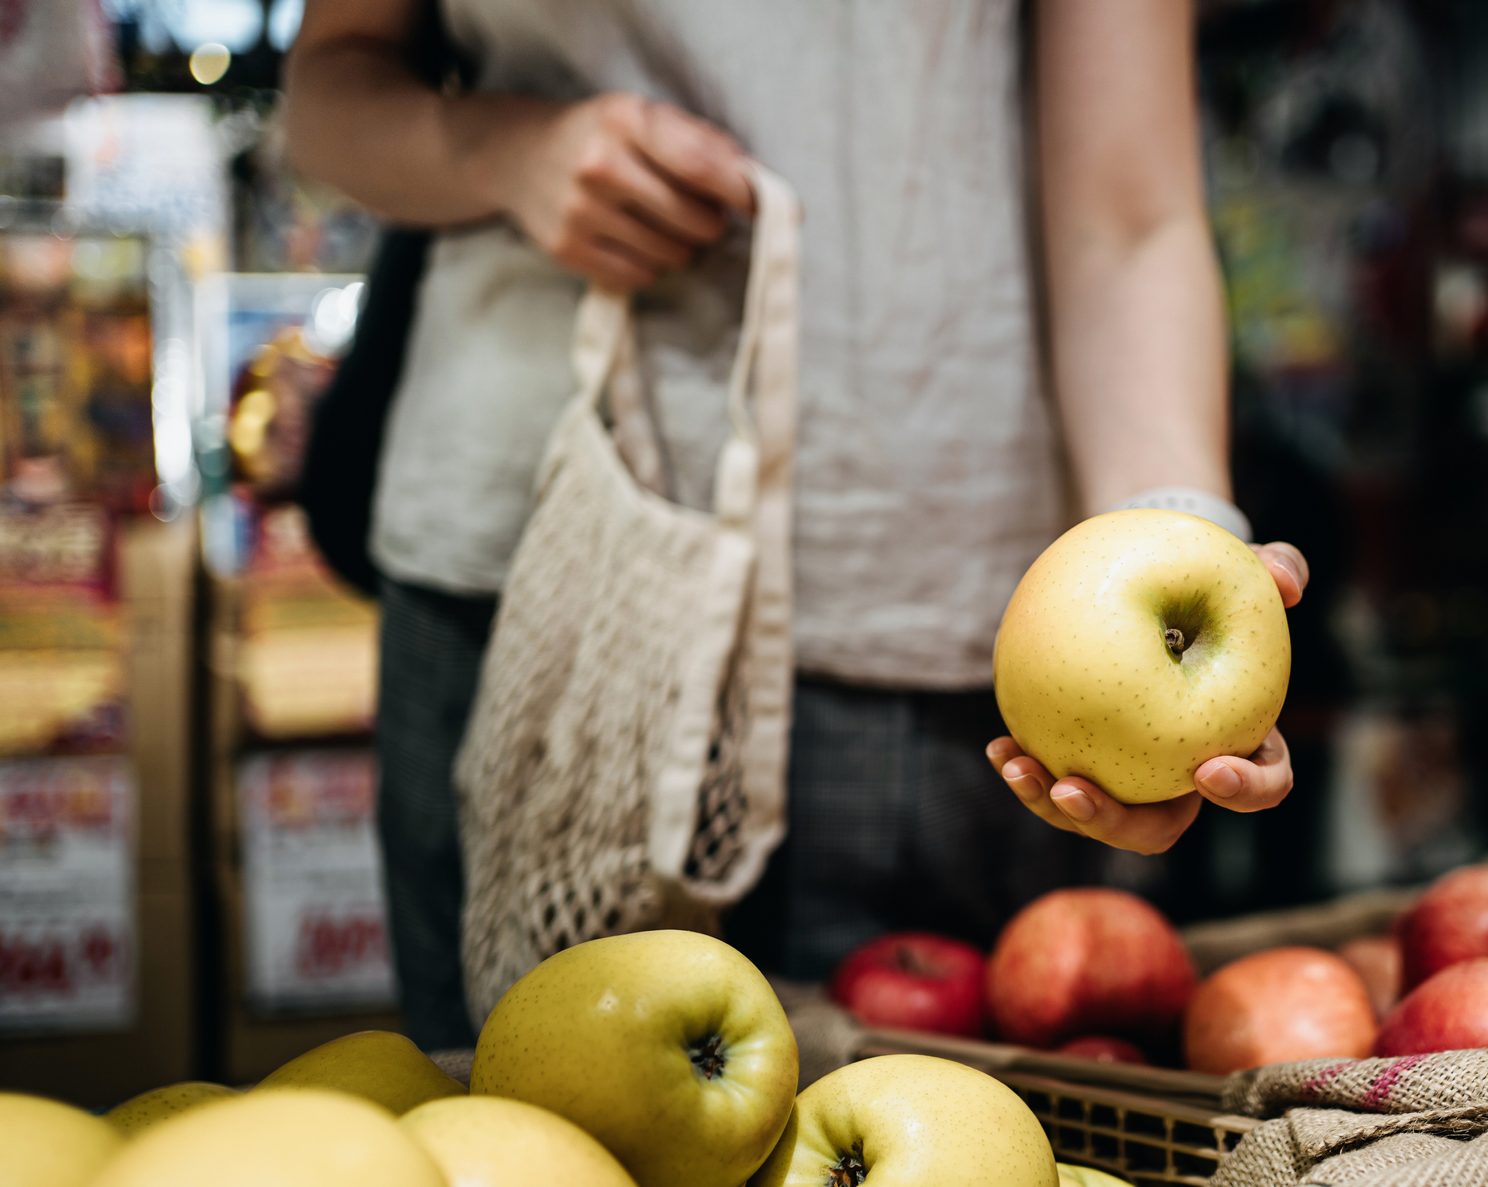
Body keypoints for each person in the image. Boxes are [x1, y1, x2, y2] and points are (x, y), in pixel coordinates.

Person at [285, 0, 1306, 1052]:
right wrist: (506, 152)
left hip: (929, 621)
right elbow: (326, 90)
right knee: (514, 1129)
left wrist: (1179, 527)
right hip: (532, 596)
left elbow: (1127, 219)